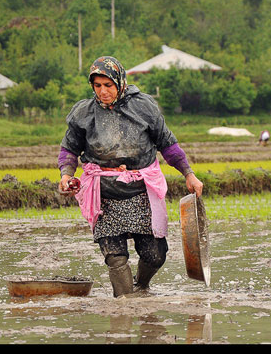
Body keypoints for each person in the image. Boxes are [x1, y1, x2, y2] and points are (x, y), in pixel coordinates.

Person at [58, 56, 203, 297]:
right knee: (115, 257)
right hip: (104, 194)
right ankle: (124, 307)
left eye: (108, 85)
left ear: (120, 82)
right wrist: (66, 175)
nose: (103, 91)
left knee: (155, 255)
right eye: (97, 86)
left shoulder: (143, 107)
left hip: (140, 192)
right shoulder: (83, 113)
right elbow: (69, 149)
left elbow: (168, 144)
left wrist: (189, 174)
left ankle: (141, 286)